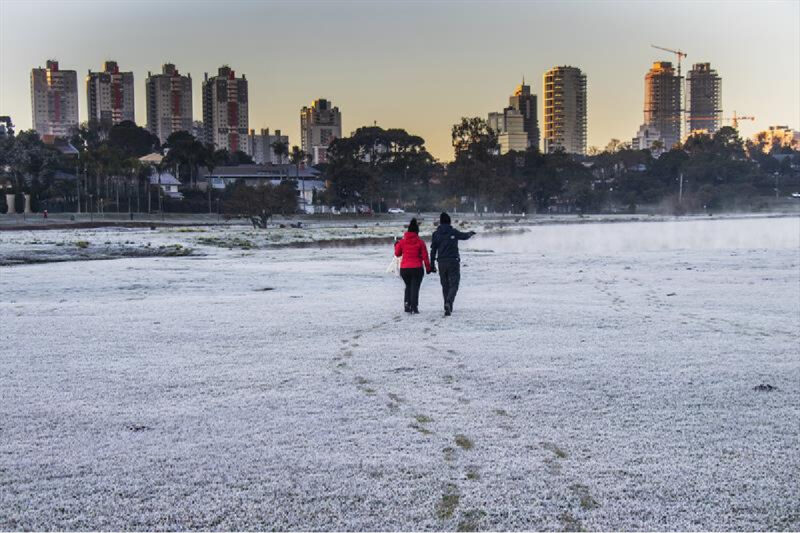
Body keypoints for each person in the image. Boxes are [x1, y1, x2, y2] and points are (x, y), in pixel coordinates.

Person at [430, 212, 476, 316]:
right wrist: (470, 233)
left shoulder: (436, 234)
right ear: (449, 221)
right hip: (453, 261)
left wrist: (431, 264)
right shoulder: (453, 232)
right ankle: (449, 302)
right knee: (454, 284)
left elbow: (433, 250)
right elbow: (464, 236)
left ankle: (446, 304)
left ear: (440, 222)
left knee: (445, 285)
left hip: (441, 262)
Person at [394, 218, 432, 314]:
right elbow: (425, 257)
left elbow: (397, 254)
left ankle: (407, 304)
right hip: (417, 268)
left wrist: (396, 245)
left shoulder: (402, 242)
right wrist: (428, 268)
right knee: (415, 287)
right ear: (417, 231)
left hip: (405, 269)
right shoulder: (420, 242)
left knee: (408, 286)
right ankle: (414, 307)